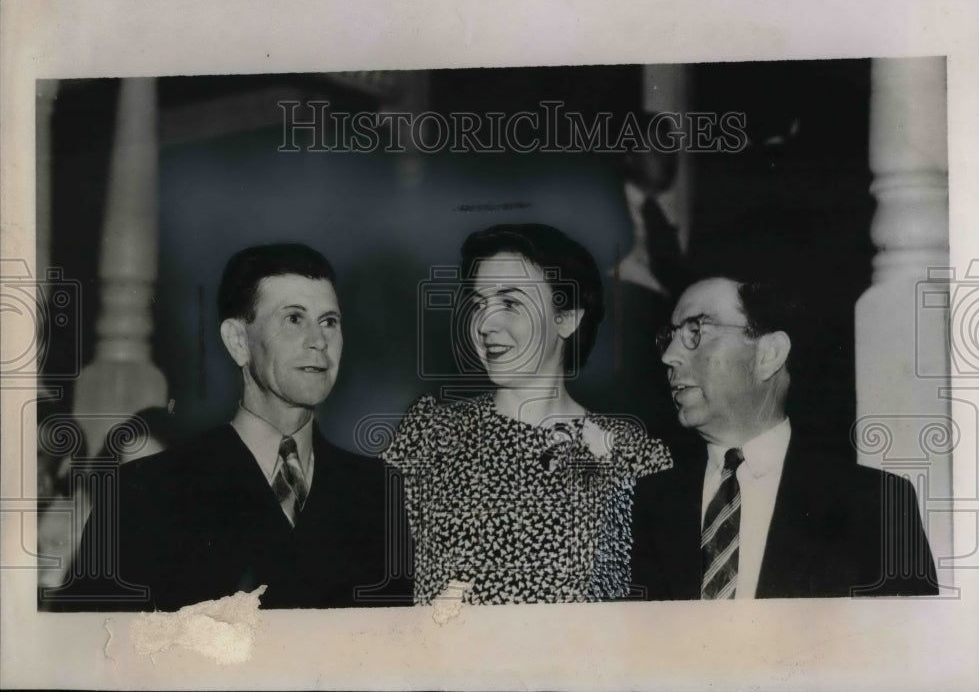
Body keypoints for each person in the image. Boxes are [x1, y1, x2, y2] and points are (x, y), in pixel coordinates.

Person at [47, 243, 411, 610]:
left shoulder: (379, 492)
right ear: (238, 342)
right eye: (294, 319)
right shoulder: (142, 491)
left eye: (329, 322)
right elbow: (89, 651)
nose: (319, 341)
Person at [382, 223, 673, 605]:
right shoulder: (430, 434)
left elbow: (641, 612)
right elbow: (379, 584)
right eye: (479, 303)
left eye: (511, 302)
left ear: (566, 318)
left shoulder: (633, 456)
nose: (485, 324)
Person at [631, 276, 939, 599]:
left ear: (770, 355)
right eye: (669, 337)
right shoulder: (639, 507)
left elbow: (912, 643)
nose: (668, 356)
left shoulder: (878, 506)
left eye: (696, 331)